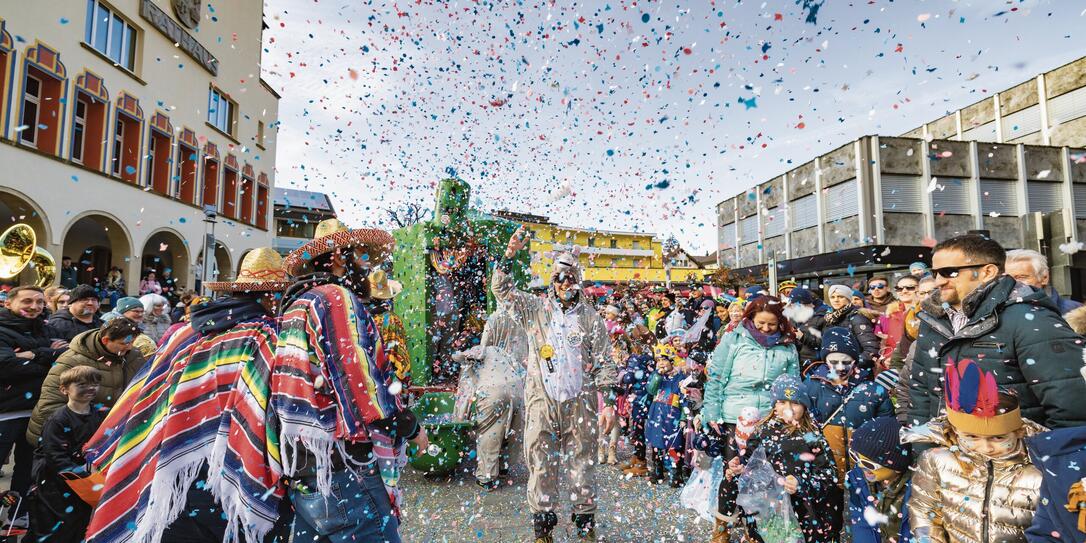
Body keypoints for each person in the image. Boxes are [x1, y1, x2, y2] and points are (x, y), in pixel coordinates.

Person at [84, 247, 295, 543]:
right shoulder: (269, 337)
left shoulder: (181, 333)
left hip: (171, 462)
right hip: (232, 467)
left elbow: (147, 394)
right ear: (271, 297)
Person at [275, 219, 427, 543]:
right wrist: (409, 426)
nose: (365, 264)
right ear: (339, 258)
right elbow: (359, 382)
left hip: (304, 467)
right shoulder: (334, 298)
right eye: (359, 255)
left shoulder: (295, 305)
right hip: (343, 468)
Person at [494, 226, 618, 543]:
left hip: (581, 402)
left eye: (570, 276)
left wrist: (610, 404)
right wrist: (508, 255)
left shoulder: (591, 317)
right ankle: (543, 533)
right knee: (540, 464)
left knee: (582, 466)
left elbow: (604, 360)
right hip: (542, 402)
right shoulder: (534, 309)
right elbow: (502, 291)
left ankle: (585, 529)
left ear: (578, 279)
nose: (565, 283)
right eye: (559, 277)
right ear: (552, 280)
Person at [908, 234, 1086, 429]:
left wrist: (1035, 455)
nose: (938, 281)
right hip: (948, 454)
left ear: (988, 272)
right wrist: (925, 448)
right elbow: (921, 392)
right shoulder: (931, 319)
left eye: (949, 272)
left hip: (1014, 454)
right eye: (935, 273)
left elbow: (1073, 408)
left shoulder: (1031, 318)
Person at [905, 360, 1043, 543]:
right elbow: (925, 509)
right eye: (971, 437)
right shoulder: (937, 460)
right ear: (955, 431)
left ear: (1018, 432)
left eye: (999, 438)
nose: (985, 448)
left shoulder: (1040, 469)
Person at [715, 374, 842, 543]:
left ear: (804, 405)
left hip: (802, 507)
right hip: (768, 501)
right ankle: (725, 529)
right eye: (782, 402)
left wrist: (801, 483)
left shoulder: (812, 436)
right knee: (729, 479)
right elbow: (750, 457)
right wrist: (740, 465)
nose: (788, 409)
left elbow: (829, 475)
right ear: (774, 404)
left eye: (795, 403)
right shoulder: (763, 430)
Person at [703, 295, 800, 463]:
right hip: (735, 416)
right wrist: (712, 412)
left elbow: (792, 385)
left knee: (769, 474)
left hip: (771, 417)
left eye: (772, 324)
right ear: (751, 317)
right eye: (761, 323)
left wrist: (791, 414)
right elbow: (716, 378)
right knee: (735, 471)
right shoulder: (733, 339)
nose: (766, 328)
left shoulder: (787, 346)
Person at [0, 286, 67, 522]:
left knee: (28, 469)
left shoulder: (46, 329)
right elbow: (5, 366)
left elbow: (62, 361)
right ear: (8, 304)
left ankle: (17, 513)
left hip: (38, 411)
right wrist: (46, 356)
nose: (34, 307)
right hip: (5, 412)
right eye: (27, 301)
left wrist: (30, 354)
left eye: (39, 302)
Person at [27, 317, 145, 445]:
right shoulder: (71, 360)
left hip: (115, 434)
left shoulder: (134, 356)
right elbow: (51, 404)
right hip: (74, 438)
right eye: (124, 343)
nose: (129, 347)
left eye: (132, 342)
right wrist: (75, 437)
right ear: (105, 340)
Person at [804, 327, 895, 484]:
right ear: (825, 361)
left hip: (864, 466)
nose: (840, 367)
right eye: (833, 362)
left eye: (846, 362)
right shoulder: (812, 386)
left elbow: (886, 428)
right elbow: (806, 425)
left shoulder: (872, 389)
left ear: (855, 360)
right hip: (826, 465)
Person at [451, 302, 527, 490]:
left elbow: (465, 391)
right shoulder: (507, 354)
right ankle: (504, 467)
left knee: (489, 430)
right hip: (517, 390)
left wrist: (458, 421)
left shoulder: (478, 353)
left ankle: (487, 477)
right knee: (512, 429)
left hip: (493, 391)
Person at [26, 366, 103, 542]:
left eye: (95, 384)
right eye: (82, 384)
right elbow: (55, 456)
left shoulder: (98, 414)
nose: (91, 388)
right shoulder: (57, 420)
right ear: (64, 389)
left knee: (79, 524)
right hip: (54, 483)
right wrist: (82, 474)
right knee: (54, 528)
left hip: (83, 482)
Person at [845, 417, 914, 543]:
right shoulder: (858, 478)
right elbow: (861, 522)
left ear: (897, 467)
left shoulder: (917, 490)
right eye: (855, 457)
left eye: (870, 464)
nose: (861, 466)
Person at [645, 343, 687, 487]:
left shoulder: (680, 378)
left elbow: (684, 399)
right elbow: (650, 390)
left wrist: (683, 417)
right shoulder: (657, 377)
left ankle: (675, 473)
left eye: (664, 359)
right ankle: (657, 471)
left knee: (674, 445)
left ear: (671, 360)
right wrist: (657, 375)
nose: (661, 363)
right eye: (659, 360)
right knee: (656, 443)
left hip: (673, 416)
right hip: (657, 414)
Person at [367, 269, 412, 388]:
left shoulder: (360, 315)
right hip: (388, 378)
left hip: (365, 373)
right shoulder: (392, 319)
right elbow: (400, 356)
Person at [1005, 249, 1082, 315]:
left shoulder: (1076, 313)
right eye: (1005, 278)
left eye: (1021, 277)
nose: (1012, 283)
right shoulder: (997, 313)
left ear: (1044, 278)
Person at [824, 284, 881, 369]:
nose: (836, 300)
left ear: (848, 299)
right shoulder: (830, 318)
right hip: (835, 371)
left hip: (855, 372)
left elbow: (871, 349)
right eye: (832, 297)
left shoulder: (857, 317)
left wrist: (851, 366)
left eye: (840, 297)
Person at [620, 344, 654, 477]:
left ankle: (641, 462)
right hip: (639, 397)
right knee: (636, 428)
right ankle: (636, 458)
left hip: (641, 399)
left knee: (638, 430)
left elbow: (629, 378)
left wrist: (624, 370)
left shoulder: (639, 358)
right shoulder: (646, 357)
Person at [876, 275, 919, 365]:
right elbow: (885, 345)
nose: (904, 291)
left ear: (920, 289)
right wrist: (885, 360)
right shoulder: (887, 316)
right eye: (899, 288)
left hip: (921, 366)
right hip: (897, 368)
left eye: (910, 287)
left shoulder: (927, 313)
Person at [786, 286, 830, 374]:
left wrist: (803, 337)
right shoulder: (792, 316)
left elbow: (826, 343)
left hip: (815, 365)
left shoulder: (824, 317)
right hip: (797, 364)